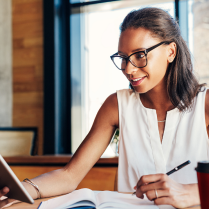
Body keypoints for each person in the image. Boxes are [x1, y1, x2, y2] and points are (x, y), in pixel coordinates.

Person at [0, 7, 207, 208]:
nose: (129, 68)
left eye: (140, 55)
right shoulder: (116, 105)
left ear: (171, 52)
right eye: (123, 58)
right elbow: (70, 175)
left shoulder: (204, 105)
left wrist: (191, 192)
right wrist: (21, 189)